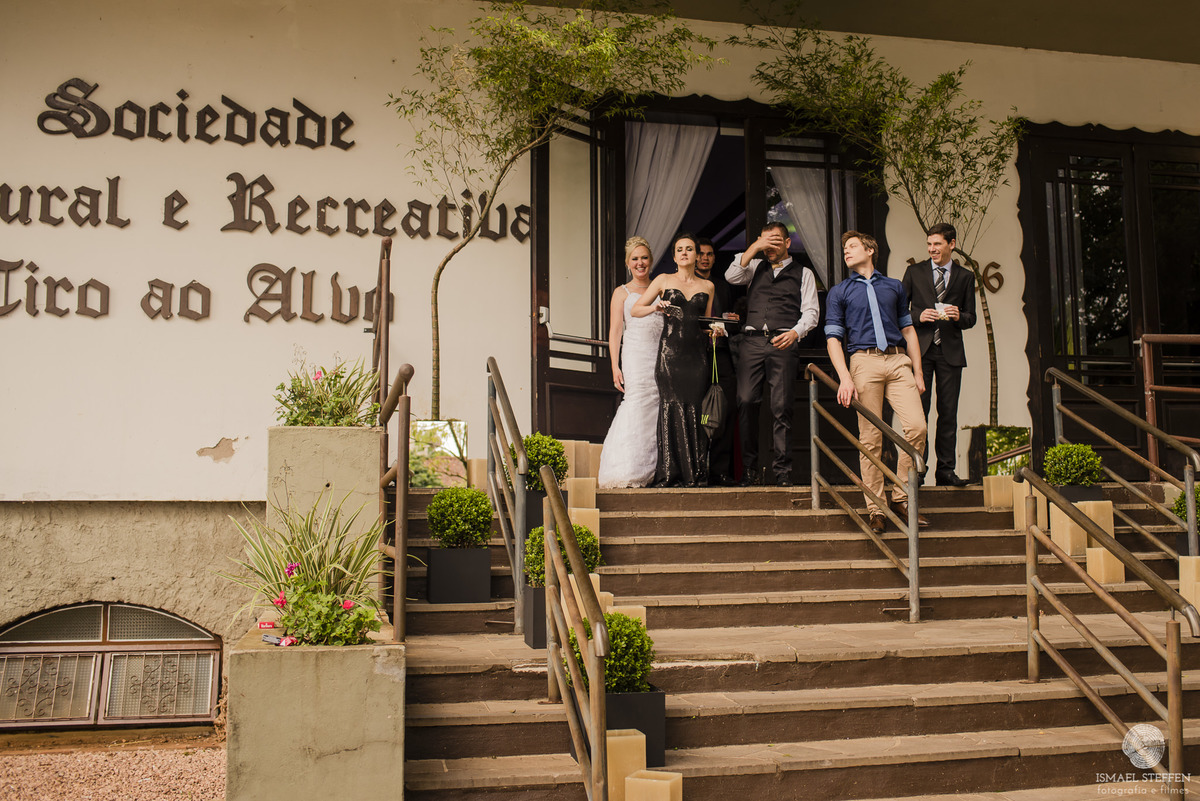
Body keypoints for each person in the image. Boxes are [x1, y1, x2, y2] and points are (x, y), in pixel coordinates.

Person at [825, 231, 928, 535]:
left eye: (852, 246)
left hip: (897, 361)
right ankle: (876, 508)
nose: (846, 251)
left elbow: (908, 330)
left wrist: (918, 372)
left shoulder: (894, 286)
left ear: (870, 250)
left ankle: (901, 497)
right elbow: (833, 338)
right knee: (871, 438)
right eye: (844, 248)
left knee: (917, 428)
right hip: (863, 361)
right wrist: (844, 377)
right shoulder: (839, 292)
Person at [725, 221, 819, 486]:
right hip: (752, 342)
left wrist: (795, 333)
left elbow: (811, 312)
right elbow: (731, 276)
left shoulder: (804, 273)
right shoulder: (754, 266)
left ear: (787, 242)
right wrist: (755, 246)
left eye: (775, 240)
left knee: (781, 407)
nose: (770, 246)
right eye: (765, 241)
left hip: (783, 343)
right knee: (745, 401)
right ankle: (750, 470)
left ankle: (782, 472)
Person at [632, 233, 714, 488]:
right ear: (674, 256)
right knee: (672, 408)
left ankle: (696, 472)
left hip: (698, 358)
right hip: (670, 357)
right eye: (680, 249)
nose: (684, 253)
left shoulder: (708, 287)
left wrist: (716, 331)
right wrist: (655, 307)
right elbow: (635, 310)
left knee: (697, 410)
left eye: (689, 249)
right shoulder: (663, 280)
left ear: (697, 255)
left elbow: (705, 324)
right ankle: (672, 472)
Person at [901, 223, 977, 487]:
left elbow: (971, 318)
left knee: (948, 414)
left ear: (951, 244)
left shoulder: (965, 277)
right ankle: (918, 470)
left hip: (950, 353)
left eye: (937, 244)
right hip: (920, 352)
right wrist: (918, 315)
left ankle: (946, 471)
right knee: (918, 414)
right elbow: (898, 311)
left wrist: (959, 316)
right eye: (929, 244)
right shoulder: (914, 272)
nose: (932, 249)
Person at [598, 237, 664, 489]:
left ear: (651, 261)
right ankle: (627, 468)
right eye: (635, 259)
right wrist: (614, 366)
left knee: (658, 406)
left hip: (660, 356)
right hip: (636, 356)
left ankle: (656, 468)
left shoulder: (661, 289)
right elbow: (616, 331)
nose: (640, 263)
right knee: (637, 402)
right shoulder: (621, 293)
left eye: (644, 258)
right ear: (628, 263)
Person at [695, 237, 737, 485]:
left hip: (721, 353)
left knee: (725, 408)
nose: (704, 258)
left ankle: (720, 470)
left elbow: (727, 318)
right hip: (695, 354)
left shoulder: (722, 286)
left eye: (709, 254)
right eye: (701, 253)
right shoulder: (687, 283)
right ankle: (699, 468)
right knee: (700, 412)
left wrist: (730, 321)